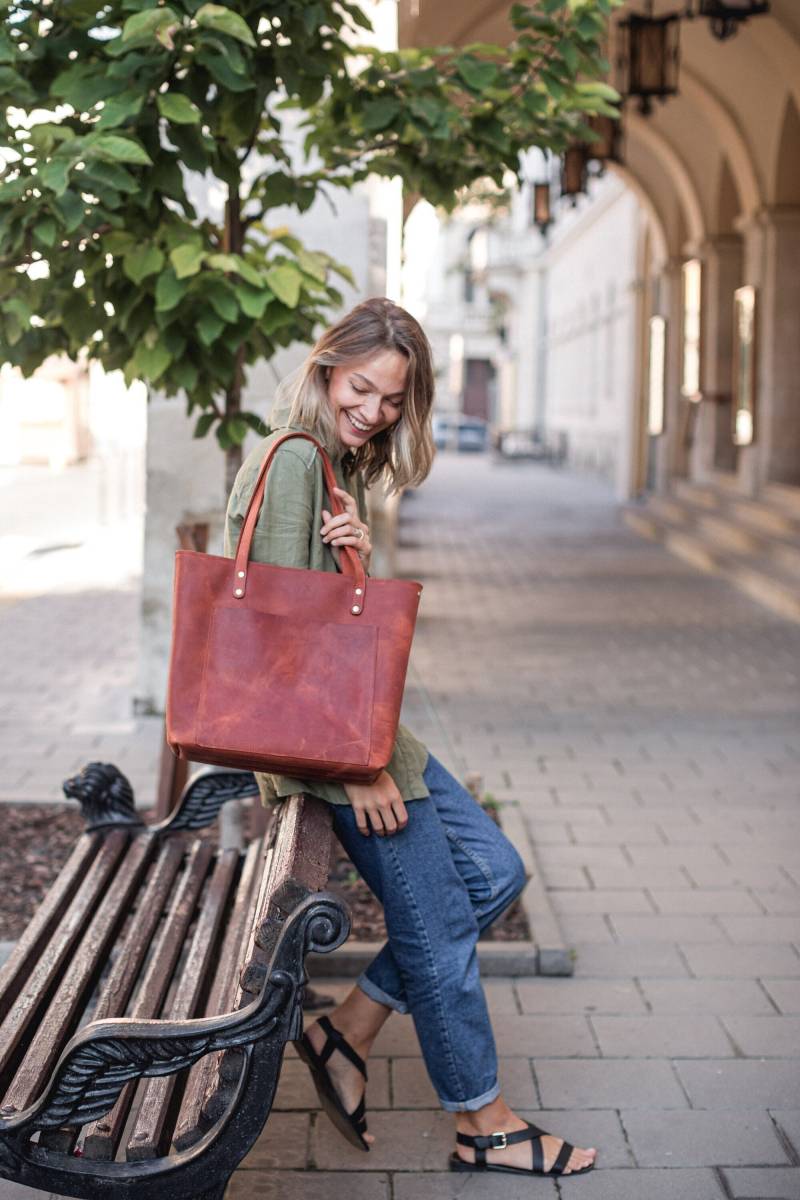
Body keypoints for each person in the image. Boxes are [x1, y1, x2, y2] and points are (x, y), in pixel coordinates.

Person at [223, 297, 597, 1179]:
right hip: (338, 752)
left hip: (364, 732)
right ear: (324, 369)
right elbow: (285, 647)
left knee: (495, 872)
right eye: (362, 388)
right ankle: (484, 1121)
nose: (376, 412)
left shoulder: (327, 468)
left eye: (393, 399)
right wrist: (358, 769)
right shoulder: (294, 468)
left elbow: (321, 613)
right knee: (438, 931)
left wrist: (354, 557)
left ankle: (346, 1032)